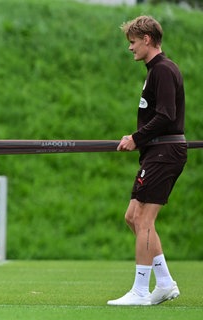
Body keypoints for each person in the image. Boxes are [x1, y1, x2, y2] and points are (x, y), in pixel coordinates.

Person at [108, 16, 186, 306]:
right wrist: (141, 141)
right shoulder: (154, 71)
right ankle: (164, 282)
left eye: (132, 42)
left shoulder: (163, 70)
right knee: (132, 217)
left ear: (147, 39)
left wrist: (136, 138)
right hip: (156, 153)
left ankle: (140, 291)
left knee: (143, 219)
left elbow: (166, 115)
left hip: (165, 153)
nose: (130, 48)